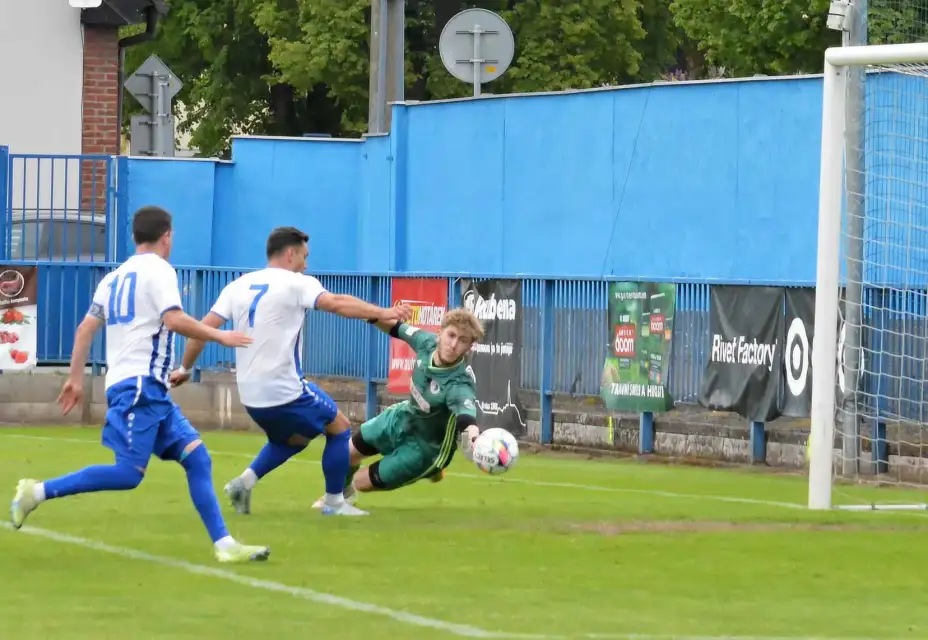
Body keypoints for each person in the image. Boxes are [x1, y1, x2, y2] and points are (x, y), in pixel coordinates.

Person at [9, 206, 271, 564]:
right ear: (167, 236)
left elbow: (85, 329)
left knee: (198, 458)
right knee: (128, 473)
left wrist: (75, 379)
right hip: (138, 388)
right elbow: (173, 319)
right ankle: (37, 492)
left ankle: (224, 544)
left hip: (148, 389)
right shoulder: (159, 270)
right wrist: (220, 336)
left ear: (135, 237)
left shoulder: (113, 278)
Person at [169, 226, 412, 517]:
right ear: (290, 254)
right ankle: (334, 502)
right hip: (284, 387)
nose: (306, 264)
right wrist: (383, 312)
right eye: (304, 256)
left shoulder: (237, 286)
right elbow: (336, 304)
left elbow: (200, 330)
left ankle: (243, 484)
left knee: (294, 439)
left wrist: (185, 368)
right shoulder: (297, 283)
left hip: (250, 394)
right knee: (340, 427)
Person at [311, 307, 483, 509]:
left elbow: (466, 417)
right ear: (440, 333)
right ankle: (343, 494)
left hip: (426, 448)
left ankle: (433, 469)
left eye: (462, 340)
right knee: (346, 454)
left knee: (361, 482)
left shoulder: (459, 383)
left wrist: (474, 439)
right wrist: (365, 313)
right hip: (403, 417)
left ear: (469, 347)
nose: (453, 344)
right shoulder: (426, 342)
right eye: (451, 335)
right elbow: (395, 327)